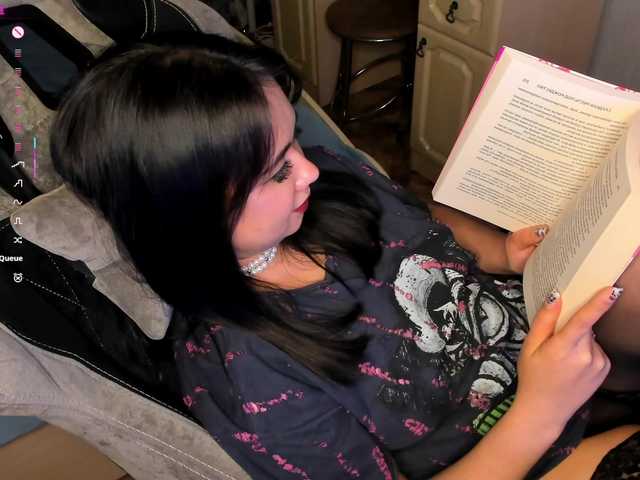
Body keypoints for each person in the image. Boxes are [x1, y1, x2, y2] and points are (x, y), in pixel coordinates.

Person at [49, 31, 639, 479]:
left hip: (544, 335)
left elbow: (427, 223)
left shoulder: (327, 183)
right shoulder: (251, 378)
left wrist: (501, 253)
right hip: (523, 448)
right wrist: (540, 410)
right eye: (276, 171)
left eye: (294, 142)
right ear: (188, 217)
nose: (309, 169)